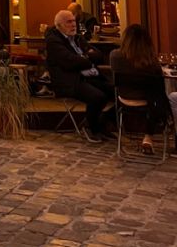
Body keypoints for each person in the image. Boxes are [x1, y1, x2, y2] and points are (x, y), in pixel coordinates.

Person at [45, 9, 114, 142]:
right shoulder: (53, 41)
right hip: (70, 81)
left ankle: (101, 122)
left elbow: (99, 56)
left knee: (117, 93)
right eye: (69, 22)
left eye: (74, 21)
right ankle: (93, 128)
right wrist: (87, 58)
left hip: (90, 77)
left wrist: (83, 58)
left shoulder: (77, 38)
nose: (73, 25)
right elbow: (69, 61)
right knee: (98, 97)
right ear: (59, 26)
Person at [110, 24, 170, 155]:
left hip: (124, 98)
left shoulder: (115, 56)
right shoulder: (151, 62)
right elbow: (159, 87)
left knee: (155, 96)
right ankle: (148, 136)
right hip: (147, 102)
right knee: (159, 97)